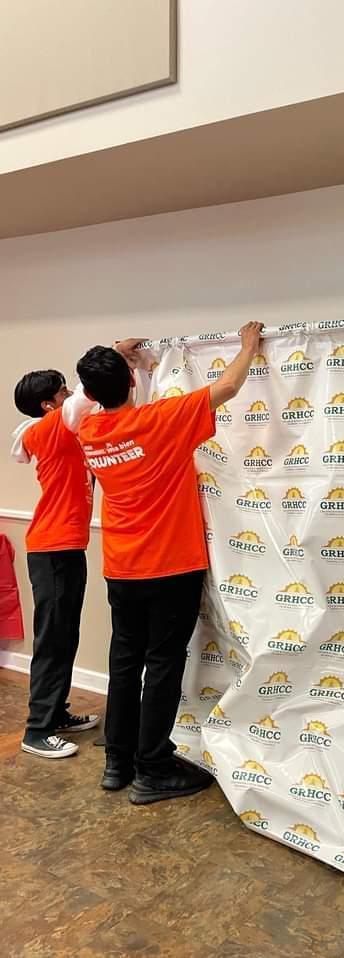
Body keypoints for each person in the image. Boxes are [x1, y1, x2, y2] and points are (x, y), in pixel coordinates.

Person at [71, 321, 263, 805]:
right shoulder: (161, 419)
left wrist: (116, 356)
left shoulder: (89, 429)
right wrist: (248, 346)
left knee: (124, 662)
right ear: (130, 381)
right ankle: (152, 767)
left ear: (91, 394)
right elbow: (228, 387)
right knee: (161, 664)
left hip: (121, 568)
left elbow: (91, 397)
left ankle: (118, 760)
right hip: (170, 567)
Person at [11, 341, 142, 759]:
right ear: (48, 405)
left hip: (65, 546)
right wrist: (114, 353)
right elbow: (86, 397)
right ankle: (37, 730)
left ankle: (57, 713)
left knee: (65, 634)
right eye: (63, 391)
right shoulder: (50, 427)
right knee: (53, 639)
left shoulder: (62, 430)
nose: (71, 395)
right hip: (51, 548)